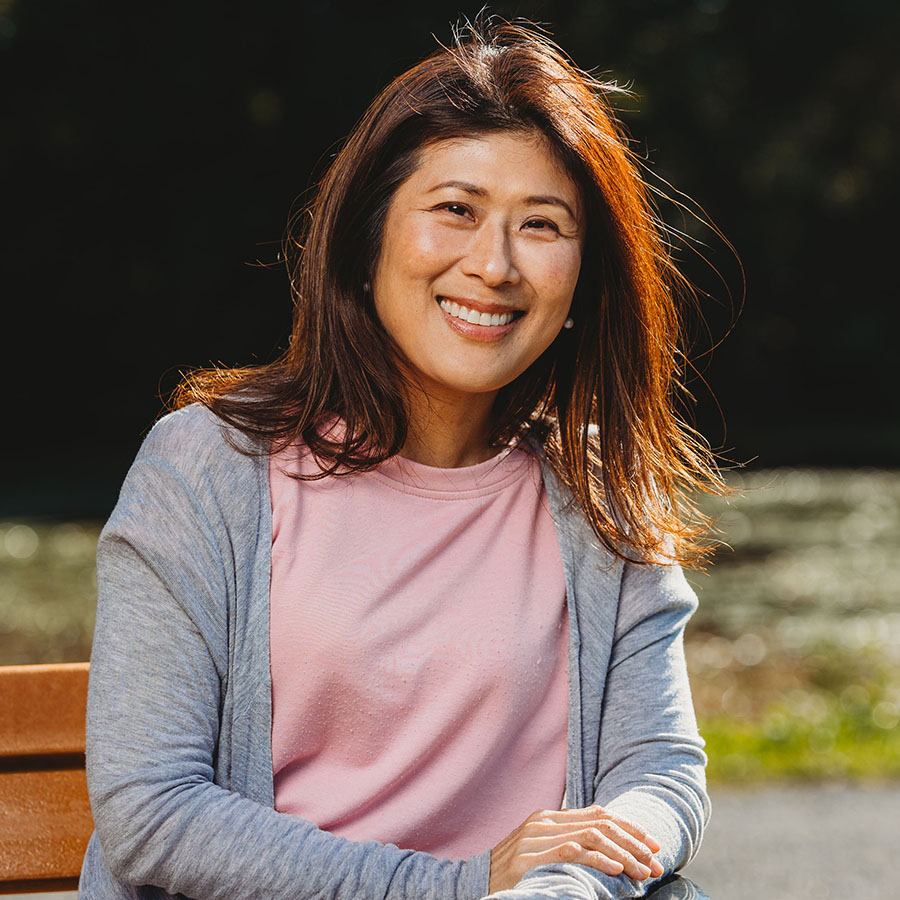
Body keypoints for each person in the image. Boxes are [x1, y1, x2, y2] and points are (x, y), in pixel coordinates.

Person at [79, 19, 723, 900]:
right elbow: (152, 811)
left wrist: (561, 887)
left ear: (584, 278)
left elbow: (660, 776)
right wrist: (459, 888)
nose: (493, 265)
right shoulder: (207, 467)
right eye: (455, 210)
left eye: (541, 225)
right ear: (368, 235)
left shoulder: (601, 493)